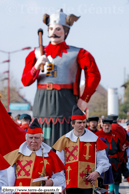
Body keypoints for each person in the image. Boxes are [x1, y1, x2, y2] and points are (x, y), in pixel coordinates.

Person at [21, 9, 101, 146]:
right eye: (51, 28)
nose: (53, 32)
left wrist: (84, 98)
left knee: (66, 134)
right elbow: (25, 81)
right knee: (42, 133)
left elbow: (94, 74)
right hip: (42, 99)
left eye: (58, 29)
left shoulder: (78, 53)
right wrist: (36, 66)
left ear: (66, 32)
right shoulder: (35, 53)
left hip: (66, 98)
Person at [53, 105, 110, 194]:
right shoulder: (63, 140)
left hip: (88, 183)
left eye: (84, 122)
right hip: (68, 184)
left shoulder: (95, 140)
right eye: (79, 123)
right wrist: (60, 185)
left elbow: (104, 161)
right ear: (72, 124)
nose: (82, 125)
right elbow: (58, 165)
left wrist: (97, 172)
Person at [0, 118, 65, 190]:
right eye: (31, 138)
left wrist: (52, 182)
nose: (33, 141)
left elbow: (61, 179)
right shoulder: (15, 155)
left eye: (36, 138)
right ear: (26, 139)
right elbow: (6, 178)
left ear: (42, 139)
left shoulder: (51, 155)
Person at [97, 119, 122, 194]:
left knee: (116, 176)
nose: (106, 127)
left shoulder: (115, 135)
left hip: (115, 159)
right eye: (105, 125)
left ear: (111, 126)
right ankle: (107, 192)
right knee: (103, 178)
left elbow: (119, 148)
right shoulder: (98, 135)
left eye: (108, 125)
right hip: (103, 160)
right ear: (102, 126)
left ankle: (116, 192)